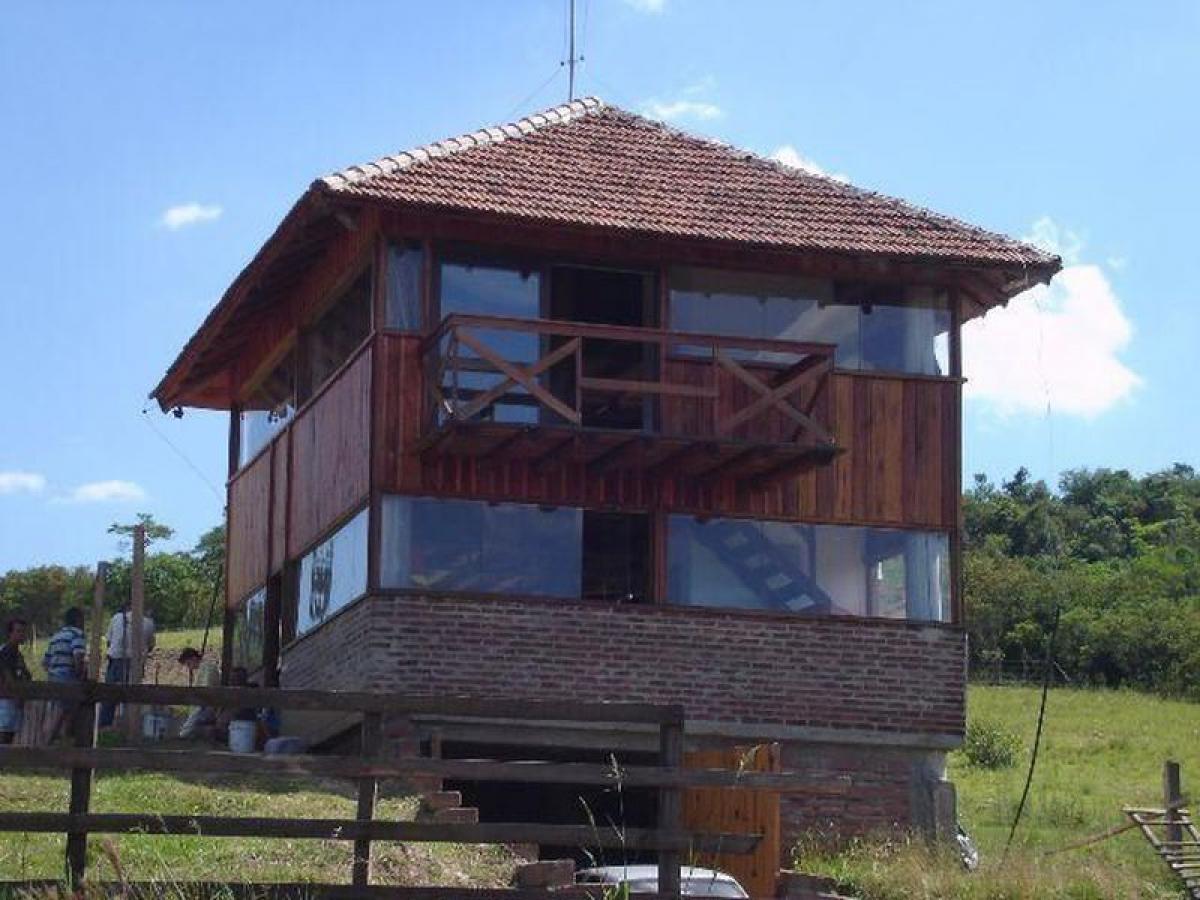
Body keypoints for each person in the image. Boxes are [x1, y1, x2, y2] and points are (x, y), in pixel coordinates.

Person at [98, 602, 157, 729]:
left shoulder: (116, 618)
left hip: (116, 660)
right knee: (132, 695)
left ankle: (105, 725)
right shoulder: (148, 622)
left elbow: (109, 641)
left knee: (110, 695)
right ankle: (130, 725)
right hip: (135, 662)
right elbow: (151, 645)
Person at [42, 607, 87, 742]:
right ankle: (52, 743)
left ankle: (57, 742)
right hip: (68, 678)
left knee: (56, 710)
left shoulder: (56, 637)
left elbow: (45, 662)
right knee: (65, 712)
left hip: (53, 677)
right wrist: (80, 675)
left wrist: (53, 672)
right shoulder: (77, 634)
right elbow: (78, 656)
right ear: (78, 620)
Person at [0, 618, 32, 744]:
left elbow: (27, 675)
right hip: (6, 701)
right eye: (18, 631)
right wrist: (17, 693)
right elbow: (8, 676)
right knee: (4, 735)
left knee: (9, 737)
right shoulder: (6, 652)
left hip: (13, 701)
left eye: (23, 631)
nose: (22, 634)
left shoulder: (17, 654)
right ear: (10, 633)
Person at [177, 646, 220, 739]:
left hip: (208, 706)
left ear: (194, 658)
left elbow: (206, 691)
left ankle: (182, 735)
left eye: (188, 663)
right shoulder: (203, 669)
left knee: (193, 719)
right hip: (204, 704)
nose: (189, 667)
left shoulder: (208, 668)